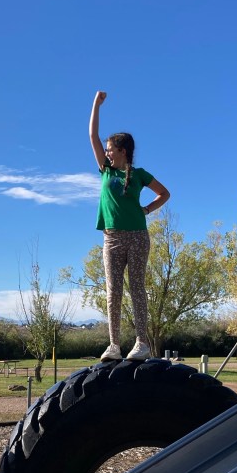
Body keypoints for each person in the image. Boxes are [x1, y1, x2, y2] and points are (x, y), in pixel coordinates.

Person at [89, 90, 170, 362]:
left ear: (122, 151)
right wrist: (96, 105)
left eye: (110, 149)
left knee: (136, 288)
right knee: (113, 291)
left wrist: (146, 209)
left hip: (137, 237)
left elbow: (164, 194)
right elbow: (92, 135)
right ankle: (114, 345)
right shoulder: (106, 170)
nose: (107, 153)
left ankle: (141, 343)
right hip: (111, 238)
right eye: (106, 150)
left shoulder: (139, 174)